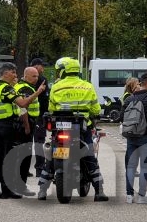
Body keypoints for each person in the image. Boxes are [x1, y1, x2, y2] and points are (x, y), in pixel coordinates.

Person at [40, 56, 108, 202]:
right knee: (90, 157)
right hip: (81, 129)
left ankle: (42, 190)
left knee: (50, 158)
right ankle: (99, 191)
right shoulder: (87, 86)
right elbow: (95, 108)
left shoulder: (56, 86)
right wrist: (93, 114)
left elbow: (51, 108)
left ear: (64, 71)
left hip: (60, 129)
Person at [0, 64, 40, 199]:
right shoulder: (6, 88)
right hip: (7, 126)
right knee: (8, 158)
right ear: (5, 74)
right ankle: (6, 190)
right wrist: (38, 91)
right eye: (13, 73)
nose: (15, 75)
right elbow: (22, 104)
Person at [123, 72, 147, 204]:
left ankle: (129, 195)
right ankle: (141, 196)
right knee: (144, 167)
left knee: (131, 166)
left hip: (131, 136)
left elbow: (123, 113)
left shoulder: (130, 98)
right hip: (146, 136)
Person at [16, 65, 47, 188]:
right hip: (27, 121)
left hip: (29, 121)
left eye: (37, 76)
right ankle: (20, 183)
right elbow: (23, 108)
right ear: (26, 76)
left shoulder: (26, 86)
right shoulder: (25, 88)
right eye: (33, 76)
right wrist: (27, 126)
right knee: (25, 152)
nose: (36, 78)